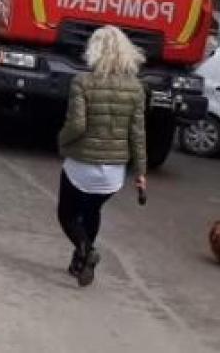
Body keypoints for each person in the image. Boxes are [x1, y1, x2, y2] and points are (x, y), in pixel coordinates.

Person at [56, 25, 147, 287]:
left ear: (94, 50)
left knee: (67, 215)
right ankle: (79, 264)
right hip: (113, 172)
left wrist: (61, 142)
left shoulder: (82, 83)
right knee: (92, 211)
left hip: (81, 165)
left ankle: (86, 250)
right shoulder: (136, 89)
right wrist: (141, 173)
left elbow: (77, 125)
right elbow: (138, 134)